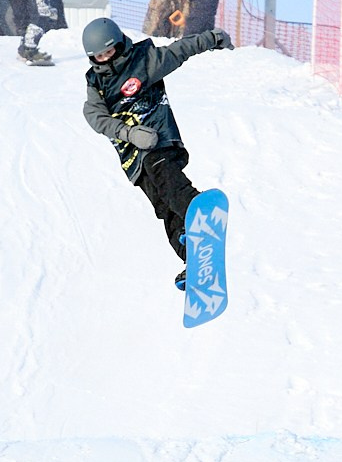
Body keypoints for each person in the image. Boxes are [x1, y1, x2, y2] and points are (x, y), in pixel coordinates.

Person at [79, 14, 233, 284]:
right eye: (99, 56)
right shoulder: (96, 84)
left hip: (159, 141)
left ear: (119, 44)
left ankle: (198, 213)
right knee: (163, 206)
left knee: (164, 177)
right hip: (133, 159)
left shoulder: (143, 61)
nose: (106, 59)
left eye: (109, 51)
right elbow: (95, 117)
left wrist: (211, 39)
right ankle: (193, 259)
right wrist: (128, 134)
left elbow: (179, 50)